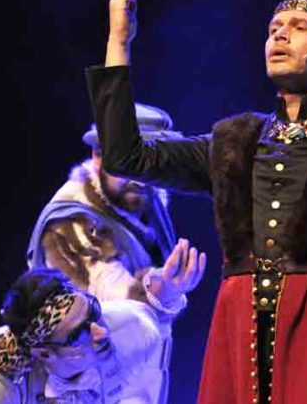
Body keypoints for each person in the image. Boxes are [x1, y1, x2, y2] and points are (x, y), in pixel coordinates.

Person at [85, 0, 307, 404]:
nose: (280, 35)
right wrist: (119, 40)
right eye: (274, 28)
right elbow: (125, 157)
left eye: (299, 27)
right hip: (242, 326)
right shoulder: (234, 142)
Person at [23, 104, 205, 403]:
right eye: (131, 164)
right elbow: (109, 297)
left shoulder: (146, 199)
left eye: (150, 164)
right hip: (89, 387)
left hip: (131, 376)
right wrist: (160, 288)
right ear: (98, 155)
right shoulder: (71, 221)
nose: (141, 178)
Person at [0, 268, 166, 403]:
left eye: (93, 311)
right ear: (44, 353)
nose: (101, 332)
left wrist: (166, 293)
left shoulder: (131, 327)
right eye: (78, 333)